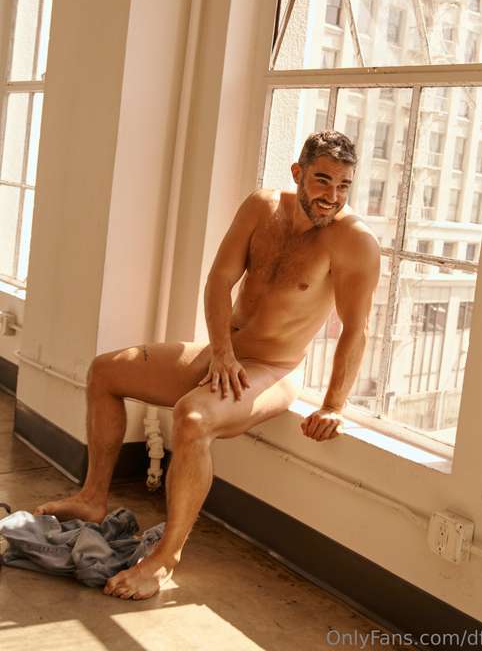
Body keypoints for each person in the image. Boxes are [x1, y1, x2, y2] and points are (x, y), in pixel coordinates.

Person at [34, 130, 381, 600]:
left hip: (271, 369)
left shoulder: (355, 241)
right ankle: (92, 498)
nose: (332, 196)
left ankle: (166, 558)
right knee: (105, 370)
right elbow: (219, 279)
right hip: (222, 353)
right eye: (323, 181)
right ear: (298, 173)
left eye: (343, 186)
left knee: (193, 418)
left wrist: (334, 405)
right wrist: (220, 352)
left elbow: (356, 327)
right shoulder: (262, 207)